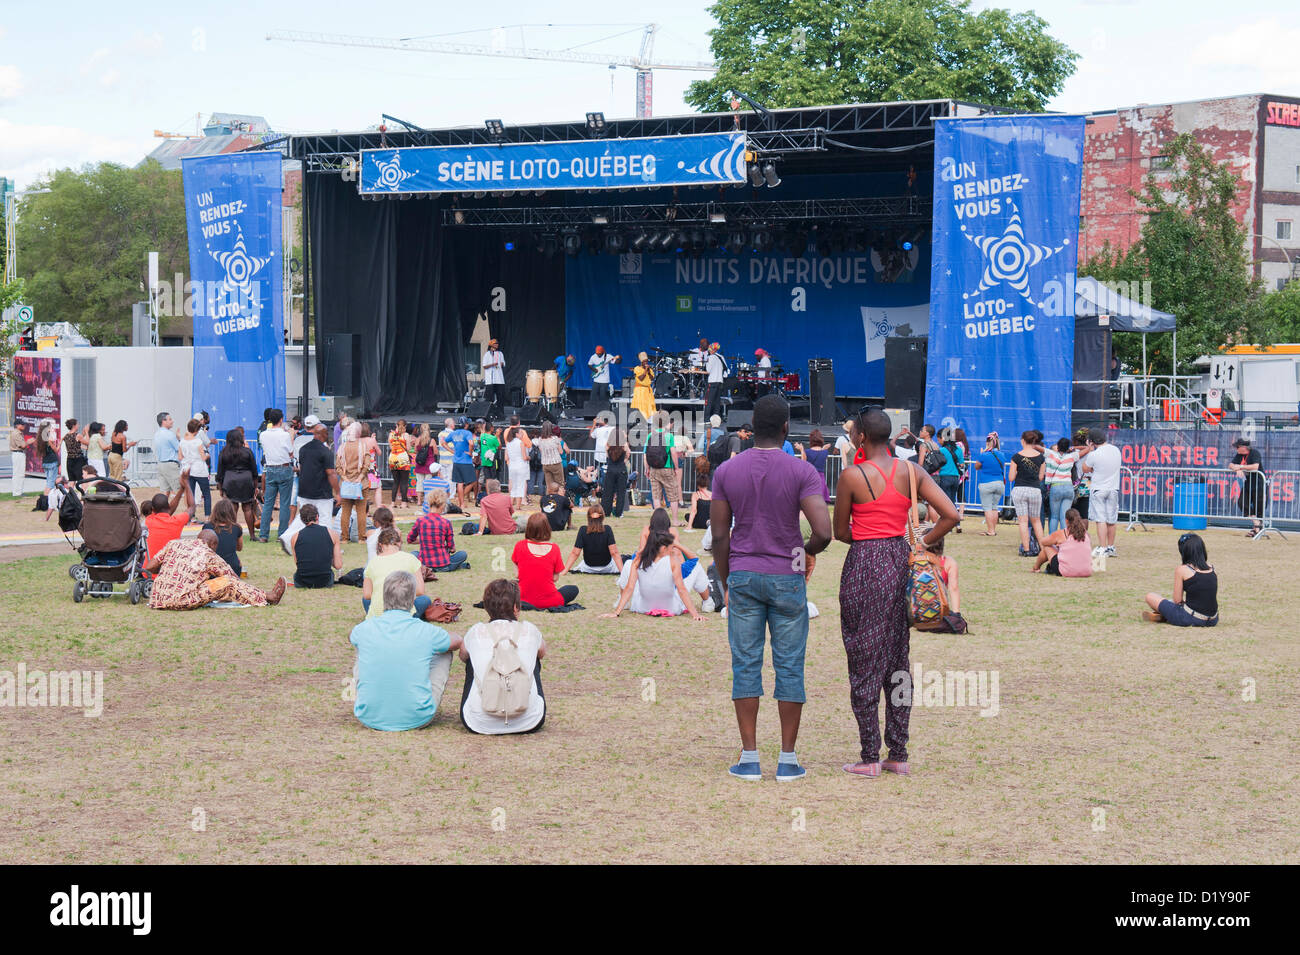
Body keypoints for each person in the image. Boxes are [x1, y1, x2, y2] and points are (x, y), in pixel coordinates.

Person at [710, 394, 833, 782]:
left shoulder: (727, 472)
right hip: (787, 574)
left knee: (745, 663)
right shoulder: (801, 472)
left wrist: (728, 580)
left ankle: (749, 758)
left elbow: (718, 536)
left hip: (744, 571)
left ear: (749, 429)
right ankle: (787, 759)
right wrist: (803, 551)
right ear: (785, 429)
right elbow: (825, 532)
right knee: (789, 665)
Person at [832, 407, 959, 779]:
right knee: (897, 659)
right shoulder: (910, 470)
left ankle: (869, 755)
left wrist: (869, 536)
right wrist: (919, 541)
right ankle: (898, 752)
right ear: (889, 436)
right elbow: (951, 514)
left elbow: (841, 531)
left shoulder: (852, 476)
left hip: (864, 565)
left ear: (859, 438)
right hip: (901, 559)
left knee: (863, 657)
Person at [349, 571, 463, 731]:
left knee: (361, 649)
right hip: (418, 717)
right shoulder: (426, 631)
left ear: (384, 597)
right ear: (413, 600)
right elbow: (457, 641)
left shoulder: (364, 629)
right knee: (444, 651)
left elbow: (352, 636)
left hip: (368, 716)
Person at [459, 579, 547, 735]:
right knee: (534, 659)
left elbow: (463, 655)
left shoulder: (475, 631)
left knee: (471, 660)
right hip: (530, 720)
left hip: (478, 722)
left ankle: (481, 702)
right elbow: (542, 652)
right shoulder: (530, 630)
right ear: (515, 607)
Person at [604, 508, 706, 620]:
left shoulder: (639, 559)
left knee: (629, 564)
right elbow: (682, 588)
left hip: (642, 607)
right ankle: (707, 601)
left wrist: (616, 612)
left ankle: (621, 599)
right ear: (664, 547)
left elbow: (629, 588)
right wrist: (695, 614)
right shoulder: (673, 560)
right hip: (671, 607)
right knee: (696, 568)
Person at [146, 529, 285, 610]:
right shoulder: (209, 554)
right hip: (181, 600)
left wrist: (172, 572)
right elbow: (233, 580)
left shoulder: (174, 544)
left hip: (157, 599)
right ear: (213, 544)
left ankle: (265, 596)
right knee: (226, 582)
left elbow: (150, 566)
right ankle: (268, 597)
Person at [1143, 532, 1218, 626]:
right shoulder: (1212, 568)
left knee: (1150, 596)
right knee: (1172, 604)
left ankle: (1164, 615)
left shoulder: (1182, 569)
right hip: (1213, 620)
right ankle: (1165, 615)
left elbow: (1177, 600)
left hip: (1190, 618)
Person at [512, 512, 578, 609]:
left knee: (510, 585)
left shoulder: (520, 545)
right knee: (573, 589)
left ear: (529, 528)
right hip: (550, 600)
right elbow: (555, 578)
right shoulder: (554, 548)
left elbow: (517, 575)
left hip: (523, 598)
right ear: (547, 528)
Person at [363, 527, 425, 617]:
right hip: (404, 610)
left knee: (366, 600)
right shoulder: (411, 558)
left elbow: (367, 594)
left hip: (378, 615)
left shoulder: (373, 562)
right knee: (424, 600)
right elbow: (420, 591)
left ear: (380, 545)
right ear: (399, 543)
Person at [1081, 427, 1122, 557]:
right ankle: (1110, 547)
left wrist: (1089, 450)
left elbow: (1085, 468)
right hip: (1113, 488)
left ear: (1091, 441)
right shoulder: (1115, 450)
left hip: (1099, 488)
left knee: (1101, 519)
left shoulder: (1094, 454)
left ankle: (1102, 547)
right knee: (1111, 520)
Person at [407, 489, 469, 573]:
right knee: (462, 554)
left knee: (413, 554)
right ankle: (456, 566)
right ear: (443, 505)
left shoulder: (420, 521)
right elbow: (452, 547)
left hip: (425, 563)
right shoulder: (446, 522)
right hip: (443, 564)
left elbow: (410, 540)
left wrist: (424, 540)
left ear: (429, 503)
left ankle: (427, 568)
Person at [295, 424, 341, 536]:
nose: (327, 435)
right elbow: (331, 473)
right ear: (322, 434)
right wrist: (338, 492)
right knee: (325, 520)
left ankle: (303, 541)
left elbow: (301, 468)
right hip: (322, 493)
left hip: (304, 491)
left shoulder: (303, 449)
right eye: (326, 433)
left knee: (304, 520)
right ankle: (327, 544)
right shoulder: (325, 452)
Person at [216, 426, 260, 540]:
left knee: (232, 508)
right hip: (246, 480)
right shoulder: (247, 451)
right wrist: (255, 486)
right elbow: (254, 470)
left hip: (230, 480)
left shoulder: (224, 452)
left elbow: (220, 471)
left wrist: (221, 487)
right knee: (247, 508)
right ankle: (252, 535)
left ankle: (232, 535)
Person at [257, 409, 294, 541]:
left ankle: (263, 534)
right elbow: (291, 452)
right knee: (284, 503)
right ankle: (282, 534)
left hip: (270, 468)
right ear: (281, 419)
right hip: (284, 468)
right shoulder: (284, 435)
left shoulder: (263, 435)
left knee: (268, 503)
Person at [1009, 430, 1046, 558]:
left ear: (1023, 441)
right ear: (1034, 441)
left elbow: (1011, 477)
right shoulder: (1041, 457)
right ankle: (1043, 549)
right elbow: (1041, 477)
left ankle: (1026, 549)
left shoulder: (1016, 457)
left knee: (1023, 521)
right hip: (1035, 490)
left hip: (1019, 489)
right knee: (1036, 521)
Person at [289, 502, 341, 589]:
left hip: (302, 581)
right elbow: (338, 565)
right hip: (325, 580)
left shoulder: (295, 537)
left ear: (302, 519)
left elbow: (299, 563)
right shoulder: (332, 534)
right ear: (317, 516)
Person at [335, 422, 371, 545]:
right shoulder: (363, 446)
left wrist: (345, 478)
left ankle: (344, 538)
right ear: (359, 432)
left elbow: (338, 466)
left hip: (345, 484)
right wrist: (360, 477)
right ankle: (362, 538)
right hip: (361, 484)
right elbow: (367, 464)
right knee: (361, 511)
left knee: (345, 511)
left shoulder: (342, 447)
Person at [644, 412, 682, 525]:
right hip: (667, 467)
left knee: (656, 495)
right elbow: (673, 453)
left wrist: (647, 468)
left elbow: (645, 454)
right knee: (673, 495)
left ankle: (657, 522)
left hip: (654, 468)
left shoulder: (650, 435)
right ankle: (675, 520)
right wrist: (676, 467)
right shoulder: (668, 436)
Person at [1033, 507, 1092, 577]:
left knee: (1047, 548)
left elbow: (1043, 542)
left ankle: (1036, 568)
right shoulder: (1086, 534)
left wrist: (1055, 543)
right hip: (1087, 571)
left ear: (1066, 520)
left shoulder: (1062, 533)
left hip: (1066, 571)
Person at [144, 487, 196, 564]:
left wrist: (181, 489)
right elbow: (192, 507)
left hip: (148, 573)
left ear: (153, 509)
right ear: (168, 506)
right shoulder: (177, 521)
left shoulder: (148, 520)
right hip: (170, 573)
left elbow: (169, 510)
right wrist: (186, 485)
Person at [565, 504, 622, 574]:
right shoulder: (607, 529)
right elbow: (614, 552)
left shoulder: (583, 530)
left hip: (588, 567)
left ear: (588, 516)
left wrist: (564, 571)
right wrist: (622, 572)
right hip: (607, 567)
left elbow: (575, 553)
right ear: (602, 516)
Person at [970, 432, 1007, 536]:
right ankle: (993, 530)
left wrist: (982, 453)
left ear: (988, 443)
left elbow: (976, 467)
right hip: (999, 483)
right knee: (994, 507)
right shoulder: (1001, 455)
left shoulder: (984, 455)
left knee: (987, 508)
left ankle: (990, 531)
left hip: (986, 483)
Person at [1043, 437, 1080, 535]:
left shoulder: (1051, 454)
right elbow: (1087, 449)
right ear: (1067, 447)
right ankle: (1065, 540)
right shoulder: (1072, 456)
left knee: (1054, 516)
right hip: (1068, 487)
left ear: (1058, 446)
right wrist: (1072, 448)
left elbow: (1036, 447)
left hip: (1056, 486)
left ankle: (1052, 539)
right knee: (1064, 517)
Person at [1229, 437, 1264, 537]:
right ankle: (1257, 524)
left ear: (1244, 447)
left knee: (1259, 507)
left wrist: (1240, 467)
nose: (1236, 449)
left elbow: (1255, 466)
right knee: (1242, 502)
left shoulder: (1254, 453)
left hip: (1259, 483)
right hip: (1248, 483)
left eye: (1237, 447)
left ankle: (1256, 530)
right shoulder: (1239, 455)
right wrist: (1236, 469)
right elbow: (1230, 465)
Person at [203, 498, 245, 577]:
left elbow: (202, 548)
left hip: (212, 569)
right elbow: (239, 548)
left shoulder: (207, 527)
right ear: (232, 512)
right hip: (232, 568)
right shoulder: (236, 528)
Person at [179, 419, 211, 521]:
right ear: (197, 430)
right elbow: (202, 457)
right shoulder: (198, 441)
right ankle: (207, 517)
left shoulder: (182, 442)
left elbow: (180, 457)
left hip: (188, 469)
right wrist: (207, 455)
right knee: (206, 494)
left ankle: (191, 516)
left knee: (190, 493)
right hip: (199, 469)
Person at [445, 419, 477, 514]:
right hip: (466, 461)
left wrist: (452, 451)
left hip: (456, 461)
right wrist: (470, 453)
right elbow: (471, 443)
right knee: (473, 481)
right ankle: (461, 500)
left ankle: (461, 502)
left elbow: (443, 442)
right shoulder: (467, 433)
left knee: (459, 482)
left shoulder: (454, 433)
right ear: (466, 425)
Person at [502, 418, 533, 507]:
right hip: (521, 464)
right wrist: (528, 457)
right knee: (522, 482)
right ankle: (521, 501)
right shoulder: (521, 439)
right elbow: (529, 445)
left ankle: (512, 501)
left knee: (512, 481)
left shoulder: (506, 433)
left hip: (511, 463)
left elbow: (506, 456)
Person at [600, 429, 630, 518]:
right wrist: (623, 461)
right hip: (621, 470)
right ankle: (619, 513)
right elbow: (628, 454)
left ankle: (606, 511)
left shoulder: (608, 445)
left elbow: (607, 457)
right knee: (621, 493)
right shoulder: (624, 445)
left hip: (610, 470)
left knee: (608, 492)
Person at [153, 412, 183, 499]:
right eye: (170, 419)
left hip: (161, 464)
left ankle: (162, 510)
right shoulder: (170, 434)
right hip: (170, 465)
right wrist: (179, 439)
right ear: (163, 421)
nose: (172, 421)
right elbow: (179, 448)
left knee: (165, 491)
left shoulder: (157, 434)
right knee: (180, 491)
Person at [796, 429, 832, 501]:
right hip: (821, 479)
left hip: (810, 478)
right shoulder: (825, 452)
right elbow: (820, 454)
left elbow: (803, 463)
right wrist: (823, 448)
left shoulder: (807, 452)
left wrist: (801, 450)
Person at [387, 419, 411, 508]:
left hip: (393, 458)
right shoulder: (406, 435)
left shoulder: (391, 434)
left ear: (396, 425)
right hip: (403, 458)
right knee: (404, 481)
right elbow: (408, 448)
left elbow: (391, 447)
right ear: (405, 426)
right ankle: (404, 503)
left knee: (396, 481)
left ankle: (393, 503)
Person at [535, 426, 565, 496]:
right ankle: (561, 500)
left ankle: (548, 501)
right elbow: (561, 452)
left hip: (545, 464)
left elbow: (541, 451)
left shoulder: (540, 439)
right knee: (560, 483)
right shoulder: (555, 438)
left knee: (549, 485)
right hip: (556, 463)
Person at [704, 342, 728, 421]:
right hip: (720, 382)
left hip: (712, 382)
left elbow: (708, 371)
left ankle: (707, 419)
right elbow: (726, 370)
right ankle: (717, 419)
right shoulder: (721, 357)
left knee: (709, 401)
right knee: (717, 401)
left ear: (710, 349)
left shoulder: (710, 357)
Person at [482, 338, 506, 414]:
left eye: (497, 343)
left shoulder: (500, 353)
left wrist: (502, 364)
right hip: (490, 380)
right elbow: (484, 366)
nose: (497, 345)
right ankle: (489, 413)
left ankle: (500, 413)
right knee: (489, 398)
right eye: (495, 343)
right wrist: (492, 364)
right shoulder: (487, 354)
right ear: (491, 345)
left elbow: (503, 363)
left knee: (500, 397)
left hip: (499, 379)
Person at [631, 352, 657, 420]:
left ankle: (649, 421)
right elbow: (641, 378)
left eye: (647, 361)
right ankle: (640, 420)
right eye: (644, 361)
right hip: (640, 390)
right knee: (641, 406)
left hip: (648, 390)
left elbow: (652, 378)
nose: (646, 363)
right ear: (641, 362)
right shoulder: (637, 368)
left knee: (649, 406)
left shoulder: (649, 369)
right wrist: (645, 370)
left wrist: (648, 371)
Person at [590, 414, 615, 484]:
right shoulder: (613, 429)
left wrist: (594, 424)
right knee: (607, 474)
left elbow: (591, 435)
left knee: (597, 474)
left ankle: (597, 487)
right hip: (607, 456)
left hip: (600, 457)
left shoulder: (598, 430)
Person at [36, 420, 59, 493]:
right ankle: (46, 497)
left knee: (48, 482)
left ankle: (45, 497)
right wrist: (60, 442)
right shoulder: (49, 438)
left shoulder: (40, 438)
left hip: (45, 462)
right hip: (52, 462)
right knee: (51, 483)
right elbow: (56, 450)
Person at [8, 423, 32, 496]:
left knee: (18, 473)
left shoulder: (16, 433)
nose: (23, 426)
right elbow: (23, 445)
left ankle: (18, 492)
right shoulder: (17, 433)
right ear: (17, 425)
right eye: (22, 425)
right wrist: (29, 441)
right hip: (18, 453)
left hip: (18, 453)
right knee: (19, 474)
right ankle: (17, 492)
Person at [62, 419, 87, 484]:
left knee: (72, 480)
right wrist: (87, 432)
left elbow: (75, 445)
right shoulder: (77, 435)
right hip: (78, 459)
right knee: (81, 480)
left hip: (69, 460)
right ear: (74, 425)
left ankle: (70, 494)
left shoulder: (66, 436)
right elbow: (88, 443)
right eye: (77, 424)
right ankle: (82, 493)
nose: (78, 425)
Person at [436, 417, 456, 489]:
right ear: (451, 425)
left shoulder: (440, 434)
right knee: (451, 478)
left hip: (442, 459)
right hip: (451, 459)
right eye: (454, 423)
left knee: (443, 478)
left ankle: (444, 493)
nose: (455, 424)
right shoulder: (454, 434)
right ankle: (451, 494)